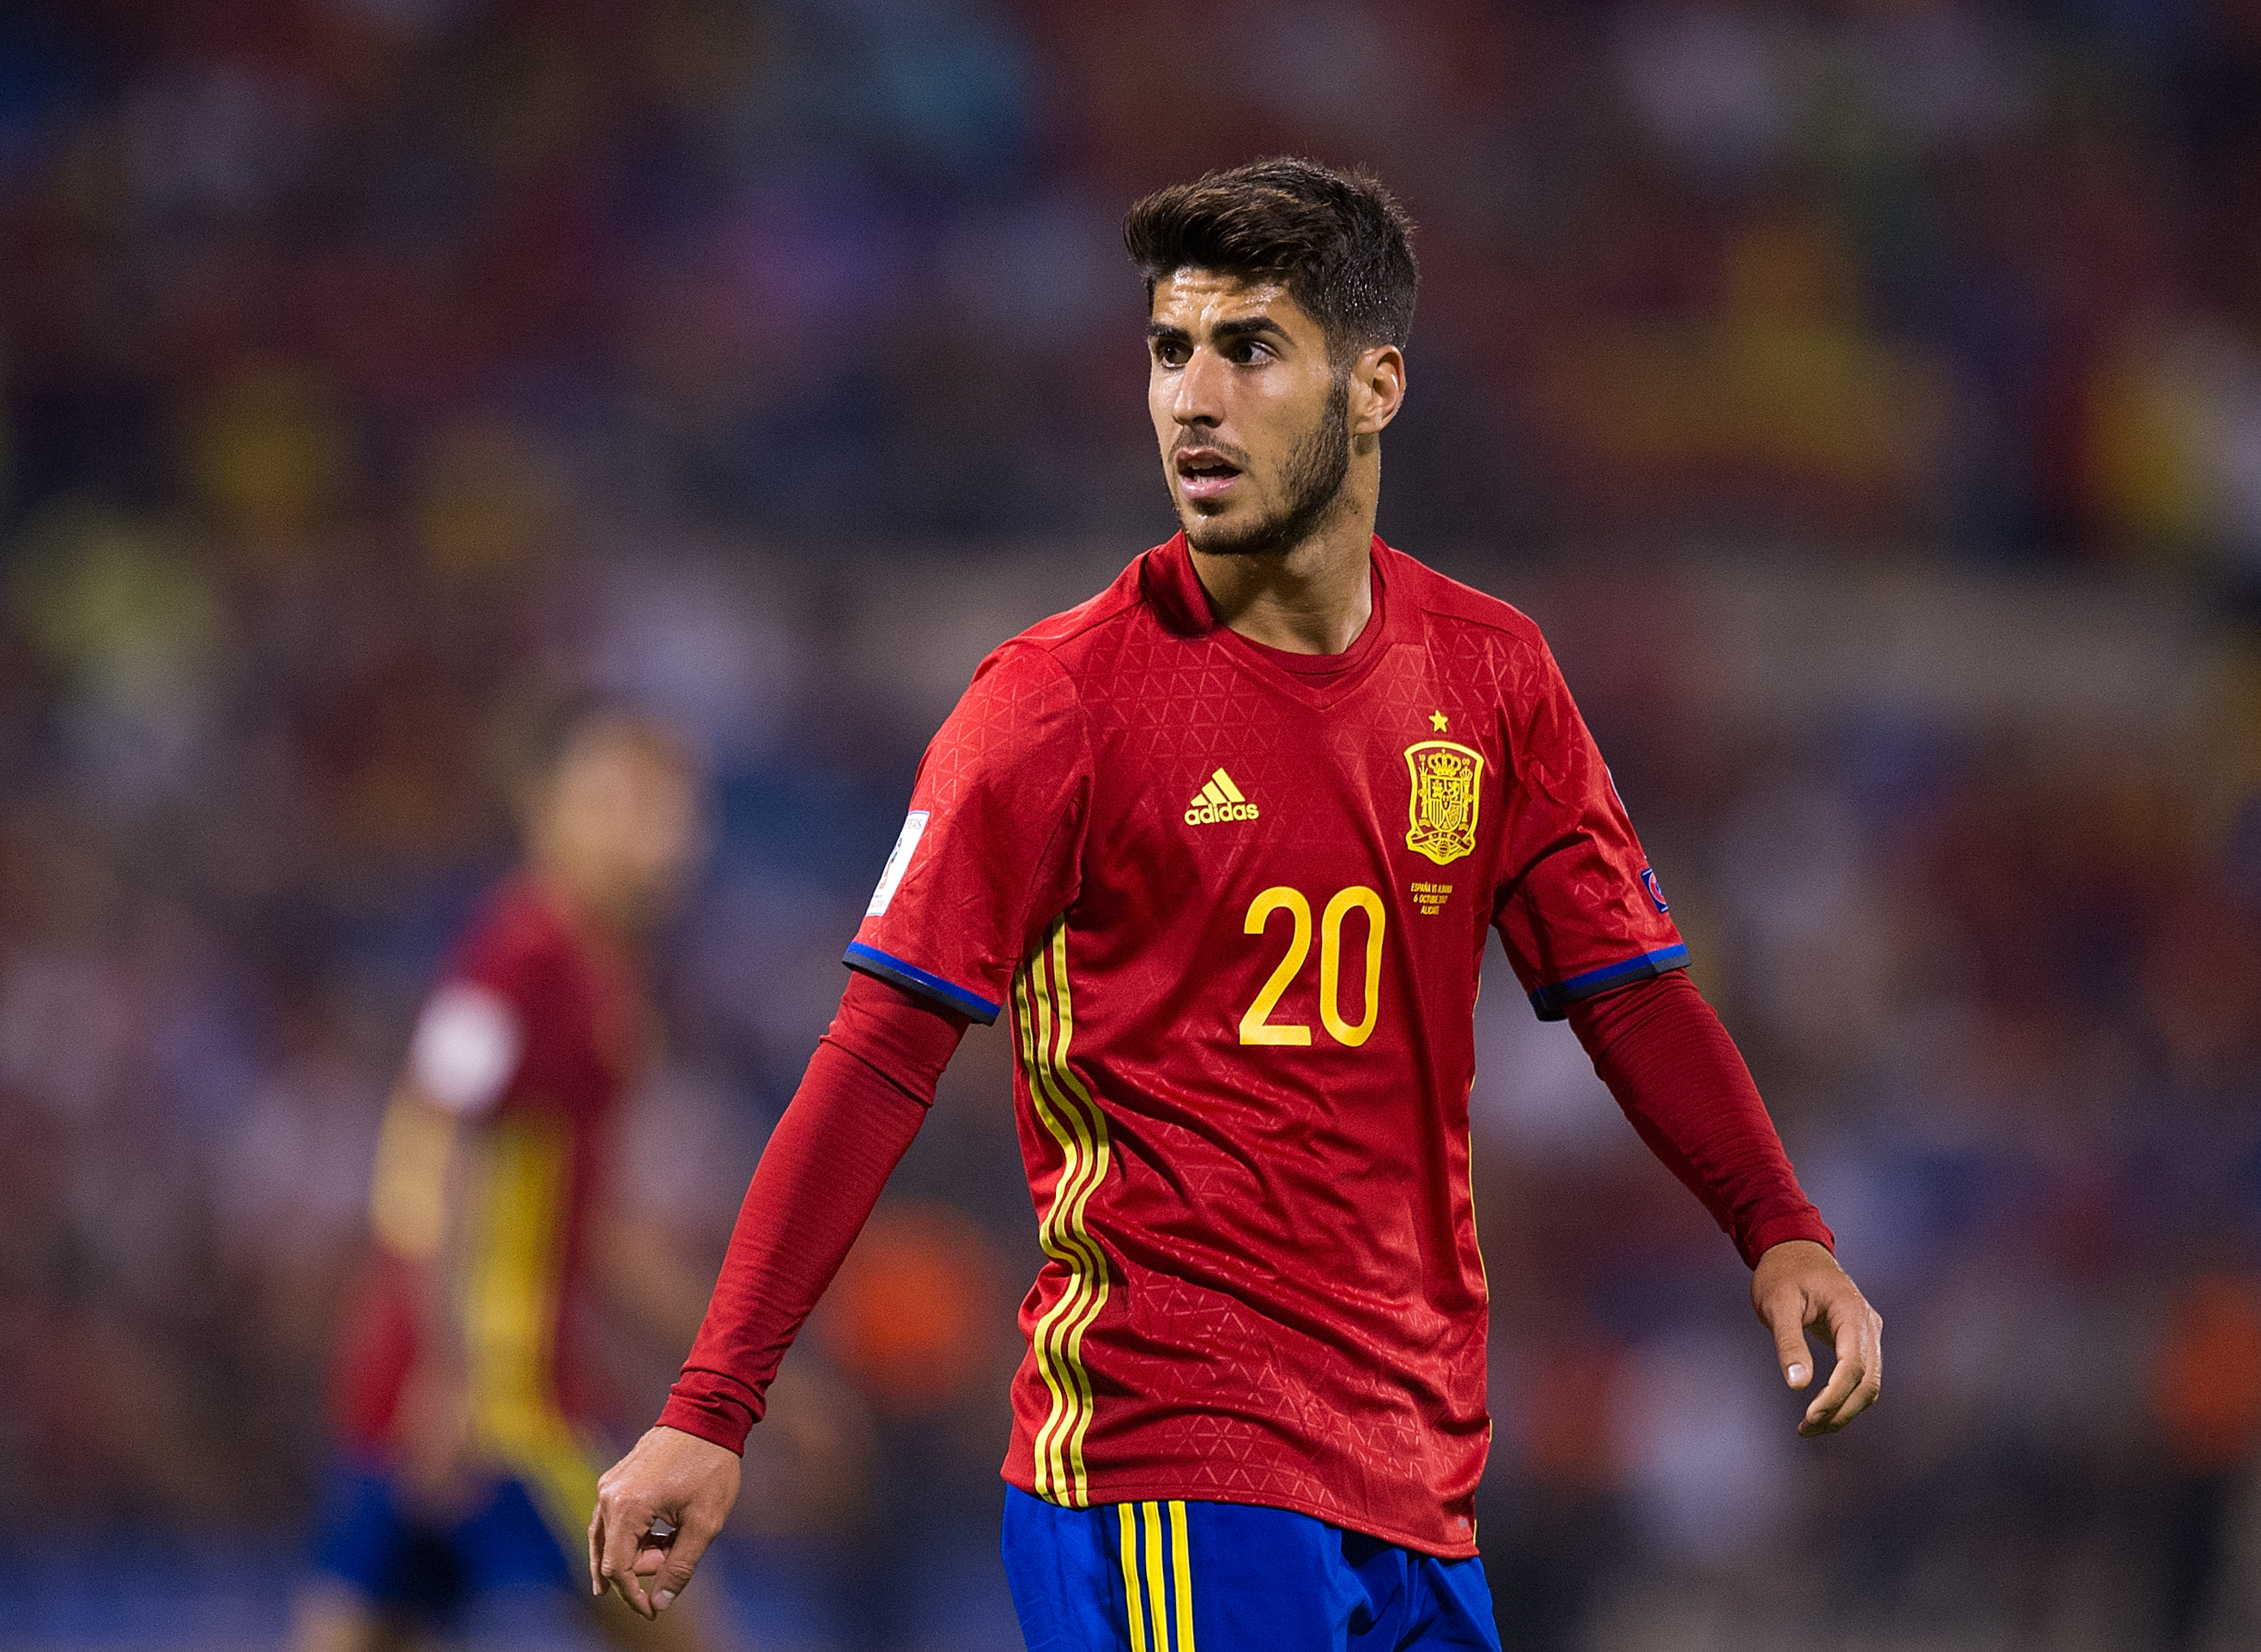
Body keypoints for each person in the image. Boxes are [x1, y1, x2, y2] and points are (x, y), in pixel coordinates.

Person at [591, 159, 1882, 1649]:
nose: (1192, 398)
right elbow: (878, 1057)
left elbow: (1631, 992)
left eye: (1248, 348)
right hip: (1162, 1454)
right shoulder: (1051, 706)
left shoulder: (1493, 678)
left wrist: (1779, 1226)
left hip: (1414, 1479)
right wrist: (712, 1404)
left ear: (1376, 383)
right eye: (1167, 351)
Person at [294, 707, 729, 1652]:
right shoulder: (520, 957)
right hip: (495, 1395)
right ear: (546, 809)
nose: (651, 833)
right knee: (677, 1619)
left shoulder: (593, 969)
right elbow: (434, 1136)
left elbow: (591, 1223)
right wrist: (449, 1364)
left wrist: (737, 1366)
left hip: (449, 1382)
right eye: (618, 801)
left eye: (667, 808)